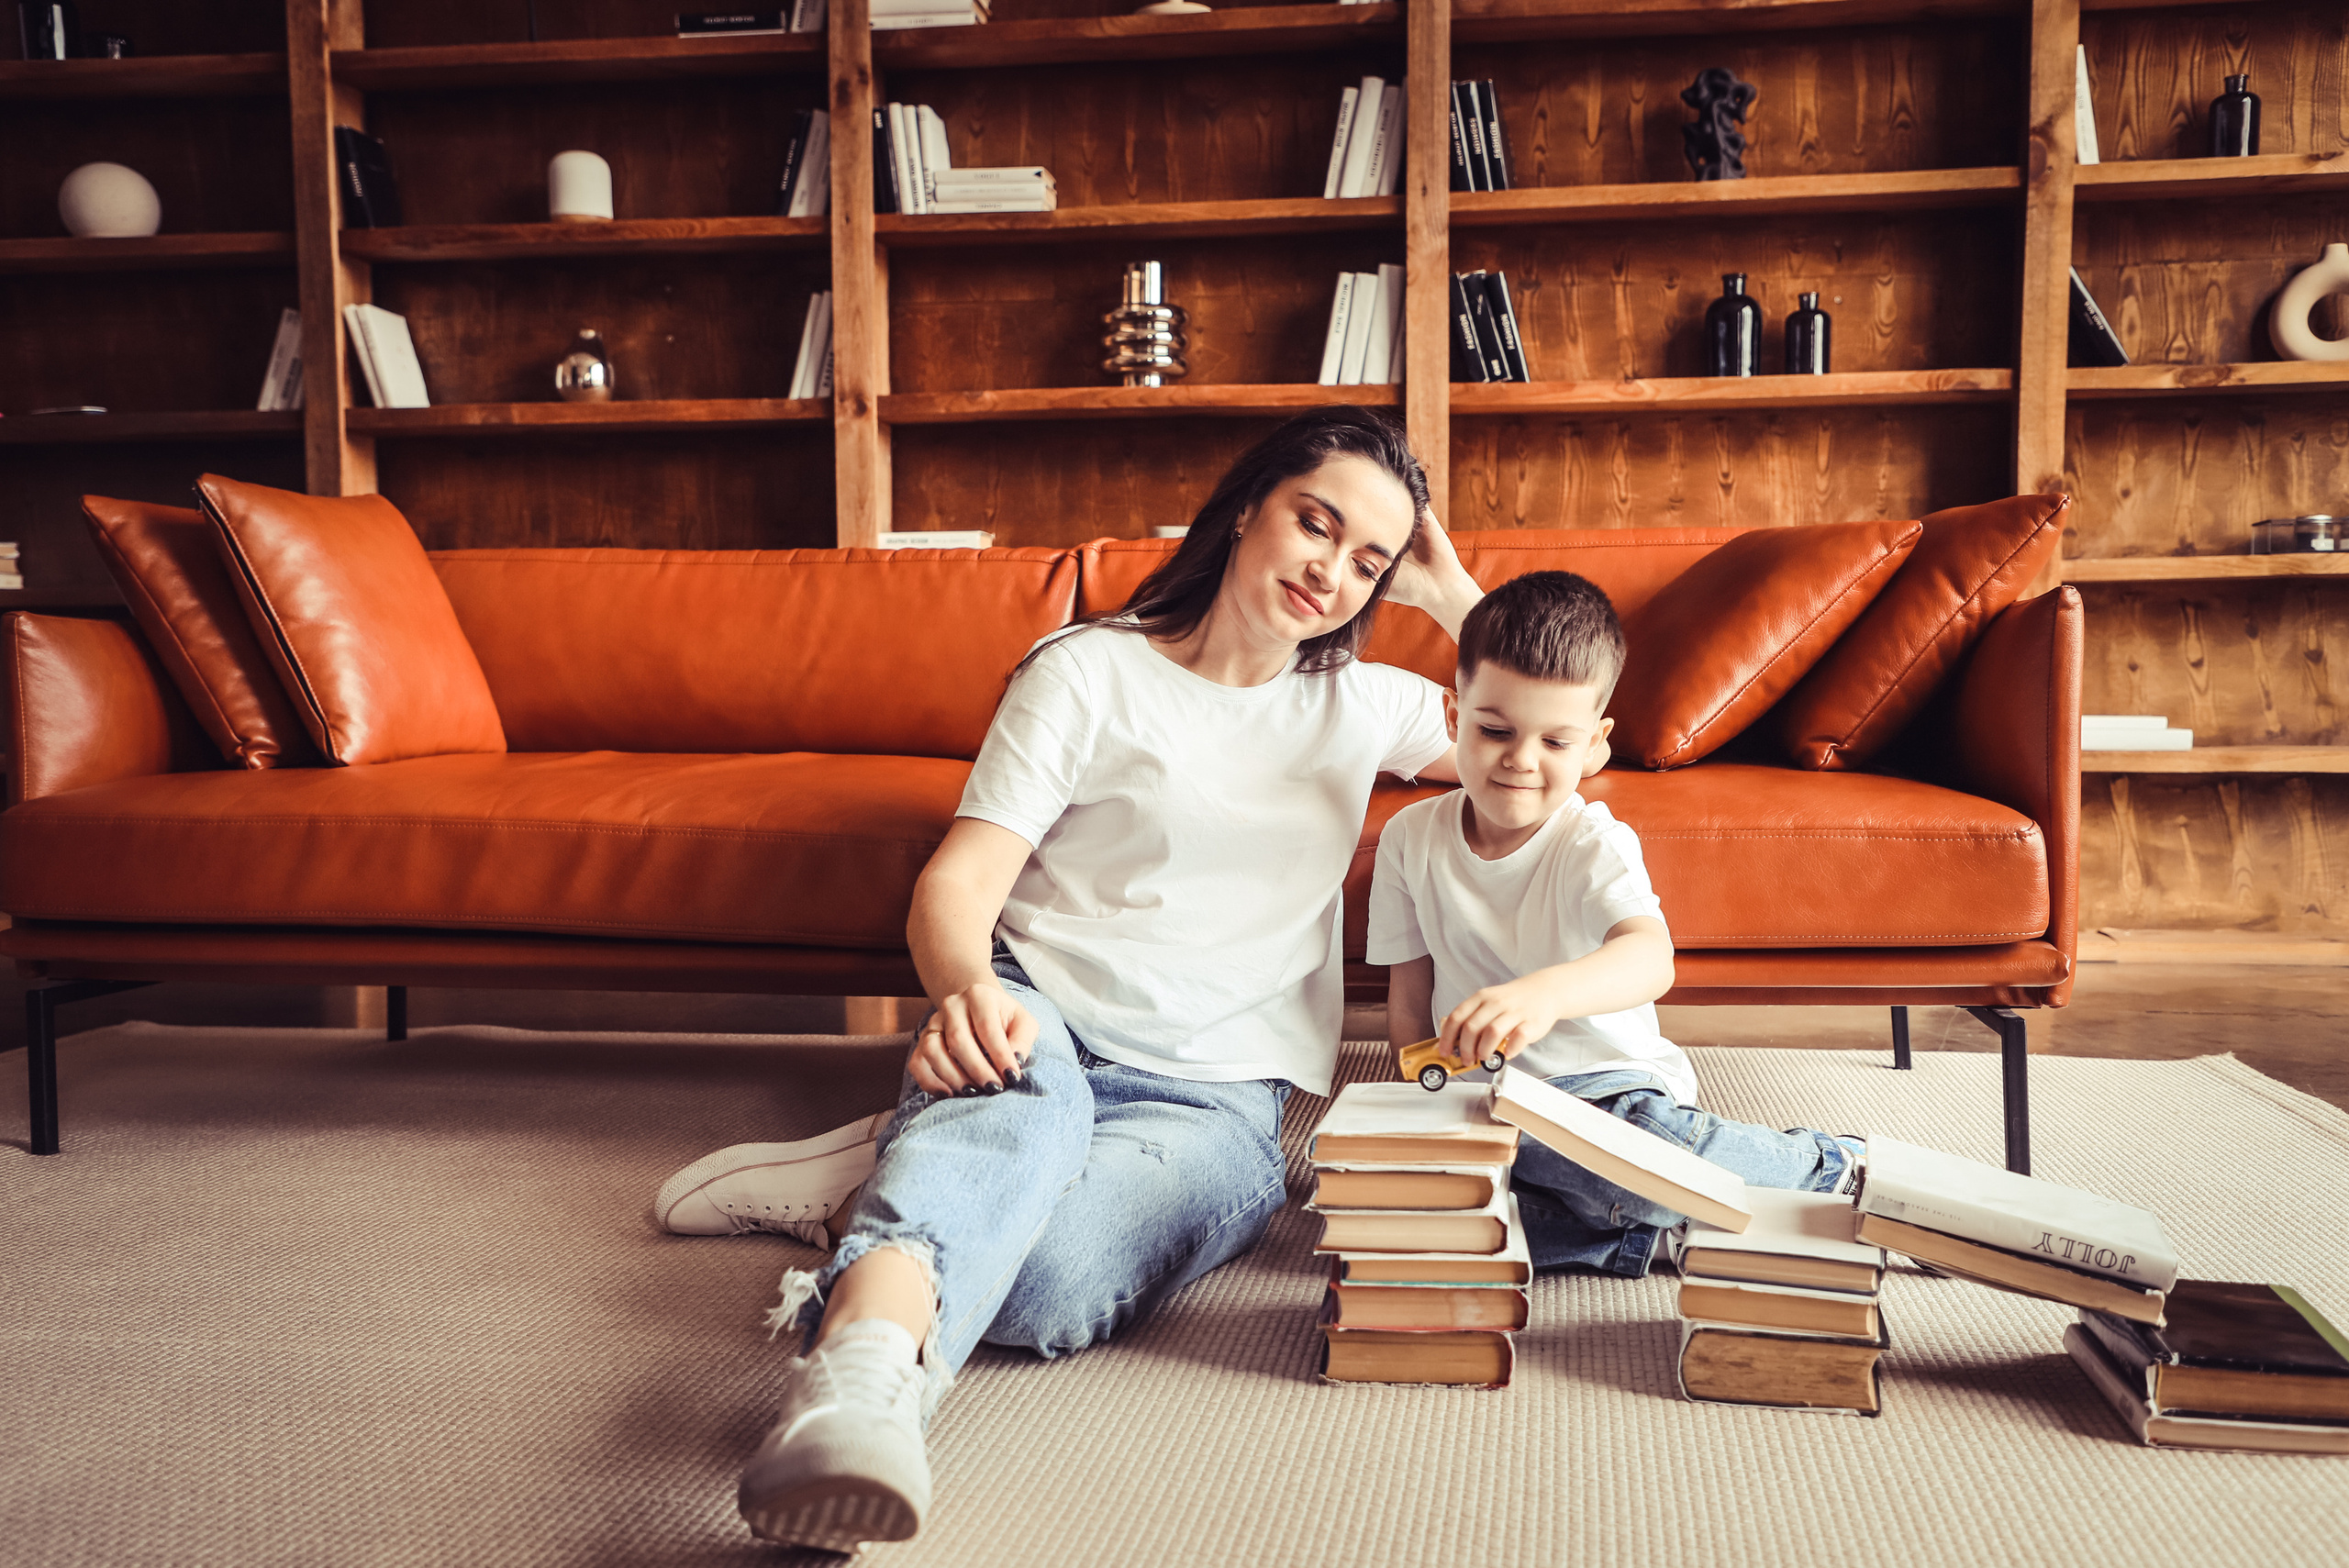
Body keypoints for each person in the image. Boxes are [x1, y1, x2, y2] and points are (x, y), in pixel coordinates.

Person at [649, 407, 1486, 1552]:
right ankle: (849, 1398)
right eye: (1315, 522)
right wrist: (964, 993)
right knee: (1017, 1114)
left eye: (1368, 561)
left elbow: (1574, 744)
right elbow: (959, 884)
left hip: (1220, 1093)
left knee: (1043, 1282)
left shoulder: (1370, 705)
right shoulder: (1088, 669)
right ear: (1249, 505)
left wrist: (1458, 602)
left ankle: (880, 1176)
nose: (1330, 572)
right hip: (1043, 1010)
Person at [1367, 570, 1862, 1277]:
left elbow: (1649, 957)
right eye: (1495, 730)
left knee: (1612, 1164)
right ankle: (1651, 1232)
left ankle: (1829, 1164)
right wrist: (1422, 1109)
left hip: (1603, 1094)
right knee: (1410, 1221)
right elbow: (1409, 998)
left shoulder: (1591, 840)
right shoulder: (1409, 838)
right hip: (1492, 1107)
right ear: (1453, 717)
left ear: (1595, 745)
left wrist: (1543, 994)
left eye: (1555, 742)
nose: (1521, 760)